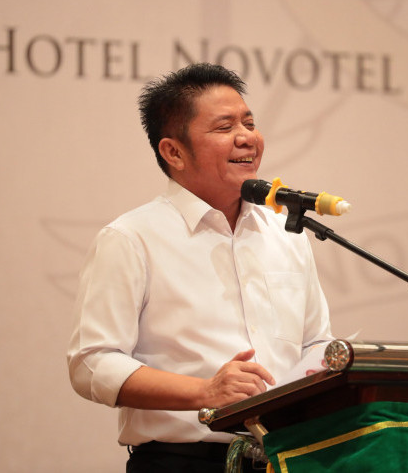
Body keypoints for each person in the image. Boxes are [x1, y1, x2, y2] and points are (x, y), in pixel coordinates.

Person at [67, 63, 333, 472]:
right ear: (173, 152)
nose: (247, 137)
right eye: (225, 127)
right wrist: (205, 392)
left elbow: (315, 343)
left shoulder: (286, 232)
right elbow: (92, 364)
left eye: (249, 123)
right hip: (184, 462)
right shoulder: (132, 238)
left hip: (285, 460)